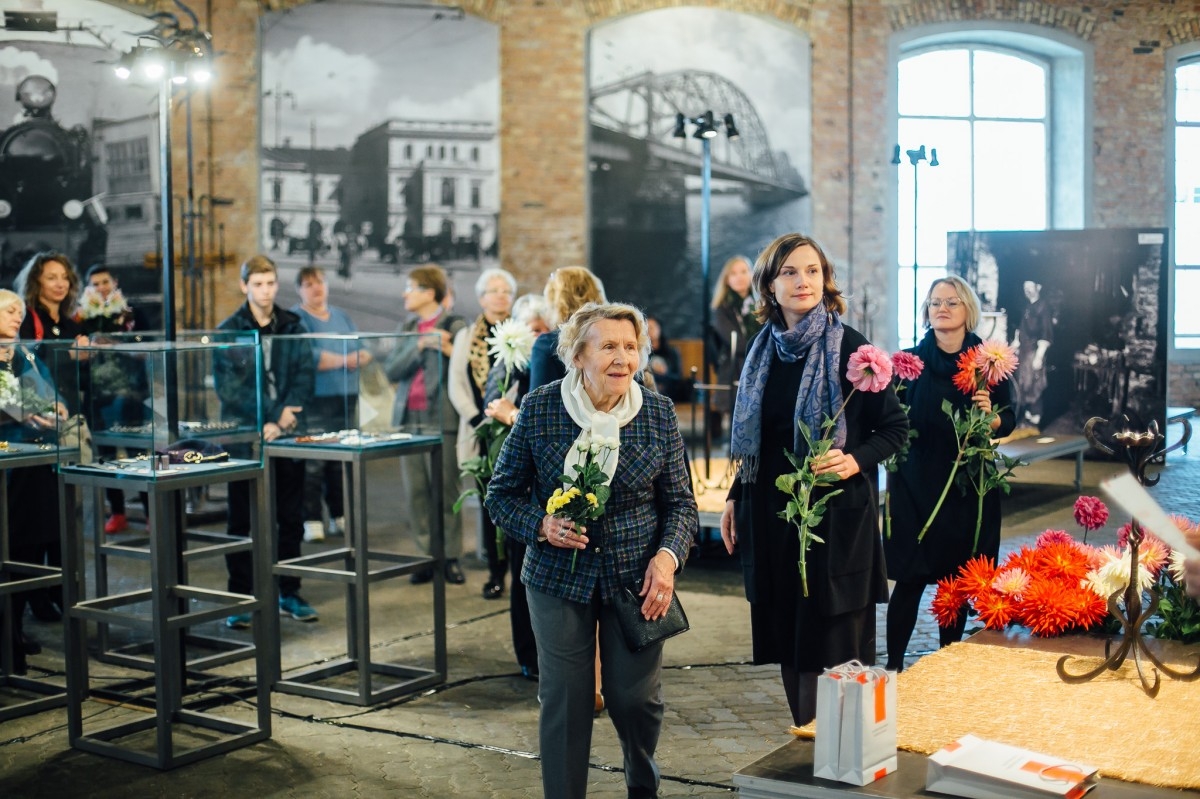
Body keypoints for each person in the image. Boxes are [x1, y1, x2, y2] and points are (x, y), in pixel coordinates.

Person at [485, 302, 697, 799]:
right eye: (609, 346)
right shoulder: (540, 408)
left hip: (637, 581)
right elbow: (501, 495)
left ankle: (642, 783)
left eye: (630, 347)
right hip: (558, 578)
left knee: (634, 700)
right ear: (578, 355)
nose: (623, 357)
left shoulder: (657, 413)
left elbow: (682, 505)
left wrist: (667, 560)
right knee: (566, 701)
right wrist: (541, 525)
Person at [718, 233, 908, 726]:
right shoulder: (762, 352)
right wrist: (737, 495)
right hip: (774, 516)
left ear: (826, 281)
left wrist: (854, 460)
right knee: (790, 639)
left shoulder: (851, 347)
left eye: (812, 271)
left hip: (834, 521)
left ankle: (841, 754)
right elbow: (760, 439)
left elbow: (894, 427)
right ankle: (808, 746)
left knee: (835, 644)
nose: (802, 281)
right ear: (769, 286)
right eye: (789, 272)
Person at [883, 276, 1016, 671]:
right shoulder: (906, 364)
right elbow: (888, 419)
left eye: (952, 302)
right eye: (935, 302)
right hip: (912, 486)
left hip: (965, 488)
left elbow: (1009, 416)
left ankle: (944, 665)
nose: (942, 308)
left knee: (954, 585)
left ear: (967, 311)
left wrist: (990, 419)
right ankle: (892, 669)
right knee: (908, 581)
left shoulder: (988, 364)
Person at [215, 255, 317, 628]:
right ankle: (241, 595)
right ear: (245, 286)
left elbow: (305, 373)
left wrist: (288, 415)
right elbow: (231, 389)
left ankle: (288, 591)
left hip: (288, 433)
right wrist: (273, 415)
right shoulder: (229, 329)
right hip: (245, 436)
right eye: (257, 284)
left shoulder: (293, 325)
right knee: (241, 518)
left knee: (290, 516)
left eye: (270, 283)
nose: (265, 290)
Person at [12, 251, 89, 623]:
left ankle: (58, 594)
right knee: (27, 527)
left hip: (57, 435)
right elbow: (19, 395)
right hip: (21, 446)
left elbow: (42, 381)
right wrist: (29, 409)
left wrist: (56, 402)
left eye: (65, 277)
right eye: (51, 277)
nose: (60, 284)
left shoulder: (71, 326)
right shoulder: (26, 331)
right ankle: (28, 602)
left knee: (58, 522)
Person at [480, 293, 550, 679]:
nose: (539, 338)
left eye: (544, 330)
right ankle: (529, 657)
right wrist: (511, 417)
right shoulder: (510, 366)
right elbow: (491, 404)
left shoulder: (550, 363)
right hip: (518, 480)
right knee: (522, 571)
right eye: (533, 331)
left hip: (545, 484)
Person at [384, 265, 467, 585]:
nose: (405, 294)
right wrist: (420, 345)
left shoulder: (455, 324)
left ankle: (450, 557)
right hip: (410, 418)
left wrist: (445, 346)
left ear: (429, 292)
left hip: (443, 417)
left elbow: (466, 365)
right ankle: (425, 556)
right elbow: (392, 369)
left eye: (411, 288)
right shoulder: (407, 326)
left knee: (446, 491)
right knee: (416, 492)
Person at [0, 288, 69, 669]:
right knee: (7, 551)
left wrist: (55, 406)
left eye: (19, 312)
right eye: (9, 312)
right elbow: (11, 407)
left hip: (34, 462)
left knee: (29, 547)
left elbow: (46, 393)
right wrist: (23, 411)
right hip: (6, 470)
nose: (17, 318)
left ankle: (14, 629)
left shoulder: (23, 353)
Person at [448, 267, 516, 592]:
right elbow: (456, 385)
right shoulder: (467, 336)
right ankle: (495, 573)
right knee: (491, 503)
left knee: (515, 503)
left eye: (506, 291)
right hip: (480, 432)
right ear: (481, 298)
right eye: (493, 291)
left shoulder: (521, 333)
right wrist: (477, 420)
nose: (500, 296)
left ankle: (518, 573)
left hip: (512, 431)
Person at [292, 265, 369, 543]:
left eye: (320, 282)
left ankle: (339, 514)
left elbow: (362, 351)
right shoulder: (297, 319)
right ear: (300, 289)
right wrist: (343, 360)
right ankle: (311, 518)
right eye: (309, 284)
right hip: (315, 401)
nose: (317, 288)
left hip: (345, 398)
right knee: (313, 464)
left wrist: (339, 359)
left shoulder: (341, 316)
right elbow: (310, 358)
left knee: (340, 463)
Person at [75, 263, 142, 534]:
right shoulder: (82, 318)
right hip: (98, 396)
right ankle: (117, 512)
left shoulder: (132, 313)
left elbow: (145, 347)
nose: (101, 287)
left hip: (130, 394)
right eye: (94, 284)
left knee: (139, 454)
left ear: (115, 282)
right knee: (106, 456)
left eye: (105, 282)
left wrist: (116, 345)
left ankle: (150, 512)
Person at [527, 267, 606, 391]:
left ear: (555, 302)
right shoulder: (612, 337)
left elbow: (537, 406)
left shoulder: (547, 344)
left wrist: (510, 411)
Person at [709, 255, 762, 437]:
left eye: (743, 271)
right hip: (735, 371)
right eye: (733, 273)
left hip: (761, 370)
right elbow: (736, 343)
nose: (739, 277)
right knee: (738, 430)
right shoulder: (722, 308)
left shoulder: (763, 305)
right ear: (727, 279)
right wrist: (762, 347)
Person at [1012, 279, 1054, 429]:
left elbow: (1046, 333)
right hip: (1024, 352)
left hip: (1034, 352)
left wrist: (1039, 356)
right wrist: (1015, 344)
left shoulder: (1043, 308)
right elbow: (1021, 328)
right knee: (1023, 384)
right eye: (1025, 287)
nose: (1028, 290)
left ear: (1039, 287)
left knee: (1035, 386)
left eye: (1031, 287)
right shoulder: (1027, 306)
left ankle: (1035, 421)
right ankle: (1028, 418)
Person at [646, 316, 689, 403]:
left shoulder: (671, 351)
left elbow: (678, 376)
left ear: (660, 329)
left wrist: (665, 372)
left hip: (670, 388)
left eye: (651, 327)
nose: (648, 331)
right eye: (645, 328)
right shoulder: (641, 352)